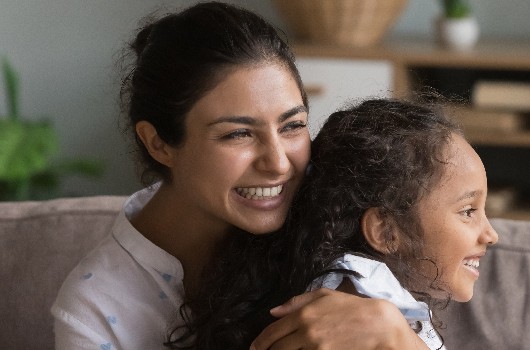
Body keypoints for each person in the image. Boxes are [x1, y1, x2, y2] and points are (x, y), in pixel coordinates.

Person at [50, 2, 426, 349]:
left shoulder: (337, 209)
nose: (279, 163)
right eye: (238, 134)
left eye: (292, 125)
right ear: (159, 143)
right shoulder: (95, 309)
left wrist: (398, 336)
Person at [183, 98, 500, 349]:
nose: (491, 234)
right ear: (385, 231)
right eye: (468, 210)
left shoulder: (375, 302)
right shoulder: (352, 315)